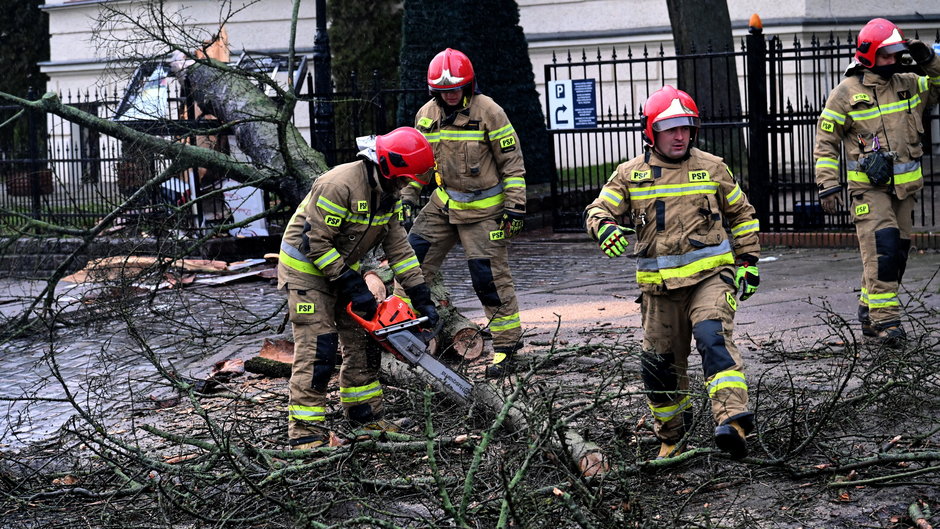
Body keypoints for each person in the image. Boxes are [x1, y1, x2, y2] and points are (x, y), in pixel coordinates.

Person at [584, 86, 761, 460]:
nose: (679, 135)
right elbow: (598, 210)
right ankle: (672, 437)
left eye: (685, 127)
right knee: (659, 366)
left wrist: (748, 262)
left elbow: (742, 214)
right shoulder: (629, 175)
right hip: (659, 290)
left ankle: (733, 422)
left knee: (713, 337)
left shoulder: (712, 168)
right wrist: (605, 228)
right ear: (651, 132)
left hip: (711, 278)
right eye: (670, 128)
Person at [277, 127, 441, 450]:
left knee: (364, 340)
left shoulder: (387, 194)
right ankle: (306, 433)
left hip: (338, 266)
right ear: (392, 167)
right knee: (319, 345)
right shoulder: (340, 185)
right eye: (407, 177)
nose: (409, 184)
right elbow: (316, 243)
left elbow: (399, 249)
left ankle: (365, 415)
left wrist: (422, 296)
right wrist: (352, 284)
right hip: (305, 270)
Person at [813, 18, 940, 345]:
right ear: (868, 55)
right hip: (869, 191)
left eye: (896, 54)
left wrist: (928, 59)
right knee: (881, 250)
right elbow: (825, 143)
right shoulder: (844, 94)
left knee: (895, 255)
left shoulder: (909, 83)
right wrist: (828, 184)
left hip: (905, 191)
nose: (893, 61)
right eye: (886, 55)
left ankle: (869, 311)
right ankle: (886, 322)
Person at [402, 48, 527, 378]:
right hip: (443, 204)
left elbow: (512, 164)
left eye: (455, 88)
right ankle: (400, 336)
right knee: (411, 262)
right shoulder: (427, 115)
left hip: (485, 212)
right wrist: (408, 196)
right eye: (444, 91)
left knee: (489, 279)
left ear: (469, 85)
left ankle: (508, 349)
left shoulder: (490, 112)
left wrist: (515, 208)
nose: (450, 95)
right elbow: (419, 166)